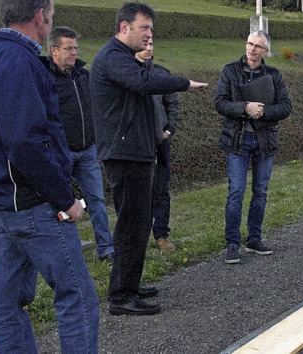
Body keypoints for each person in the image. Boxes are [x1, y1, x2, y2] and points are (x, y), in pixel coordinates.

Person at [0, 0, 99, 352]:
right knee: (77, 297)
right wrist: (64, 198)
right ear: (40, 16)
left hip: (2, 203)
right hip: (32, 204)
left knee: (10, 304)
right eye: (51, 14)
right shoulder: (18, 62)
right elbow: (27, 142)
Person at [90, 2, 207, 315]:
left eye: (151, 29)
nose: (149, 34)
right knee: (132, 224)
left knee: (138, 223)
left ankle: (129, 284)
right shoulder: (113, 58)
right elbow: (144, 83)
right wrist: (183, 82)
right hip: (124, 153)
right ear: (124, 27)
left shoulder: (124, 59)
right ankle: (121, 297)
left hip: (136, 151)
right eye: (144, 28)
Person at [215, 30, 292, 264]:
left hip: (264, 141)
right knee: (236, 192)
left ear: (265, 51)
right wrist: (245, 107)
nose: (252, 49)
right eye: (250, 43)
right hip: (237, 141)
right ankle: (232, 243)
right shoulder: (230, 71)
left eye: (258, 46)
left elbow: (285, 107)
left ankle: (254, 239)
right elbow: (220, 102)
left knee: (260, 192)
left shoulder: (274, 75)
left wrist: (264, 111)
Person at [44, 26, 115, 261]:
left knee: (97, 200)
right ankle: (67, 253)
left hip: (88, 151)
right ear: (53, 50)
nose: (74, 52)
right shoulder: (44, 77)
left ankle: (106, 248)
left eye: (76, 48)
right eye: (68, 48)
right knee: (62, 206)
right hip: (61, 153)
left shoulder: (85, 75)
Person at [135, 37, 179, 252]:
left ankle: (161, 235)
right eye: (144, 45)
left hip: (160, 142)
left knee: (161, 190)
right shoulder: (128, 75)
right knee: (139, 192)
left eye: (151, 45)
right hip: (136, 145)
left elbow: (172, 105)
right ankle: (137, 238)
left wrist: (169, 129)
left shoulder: (162, 74)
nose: (149, 49)